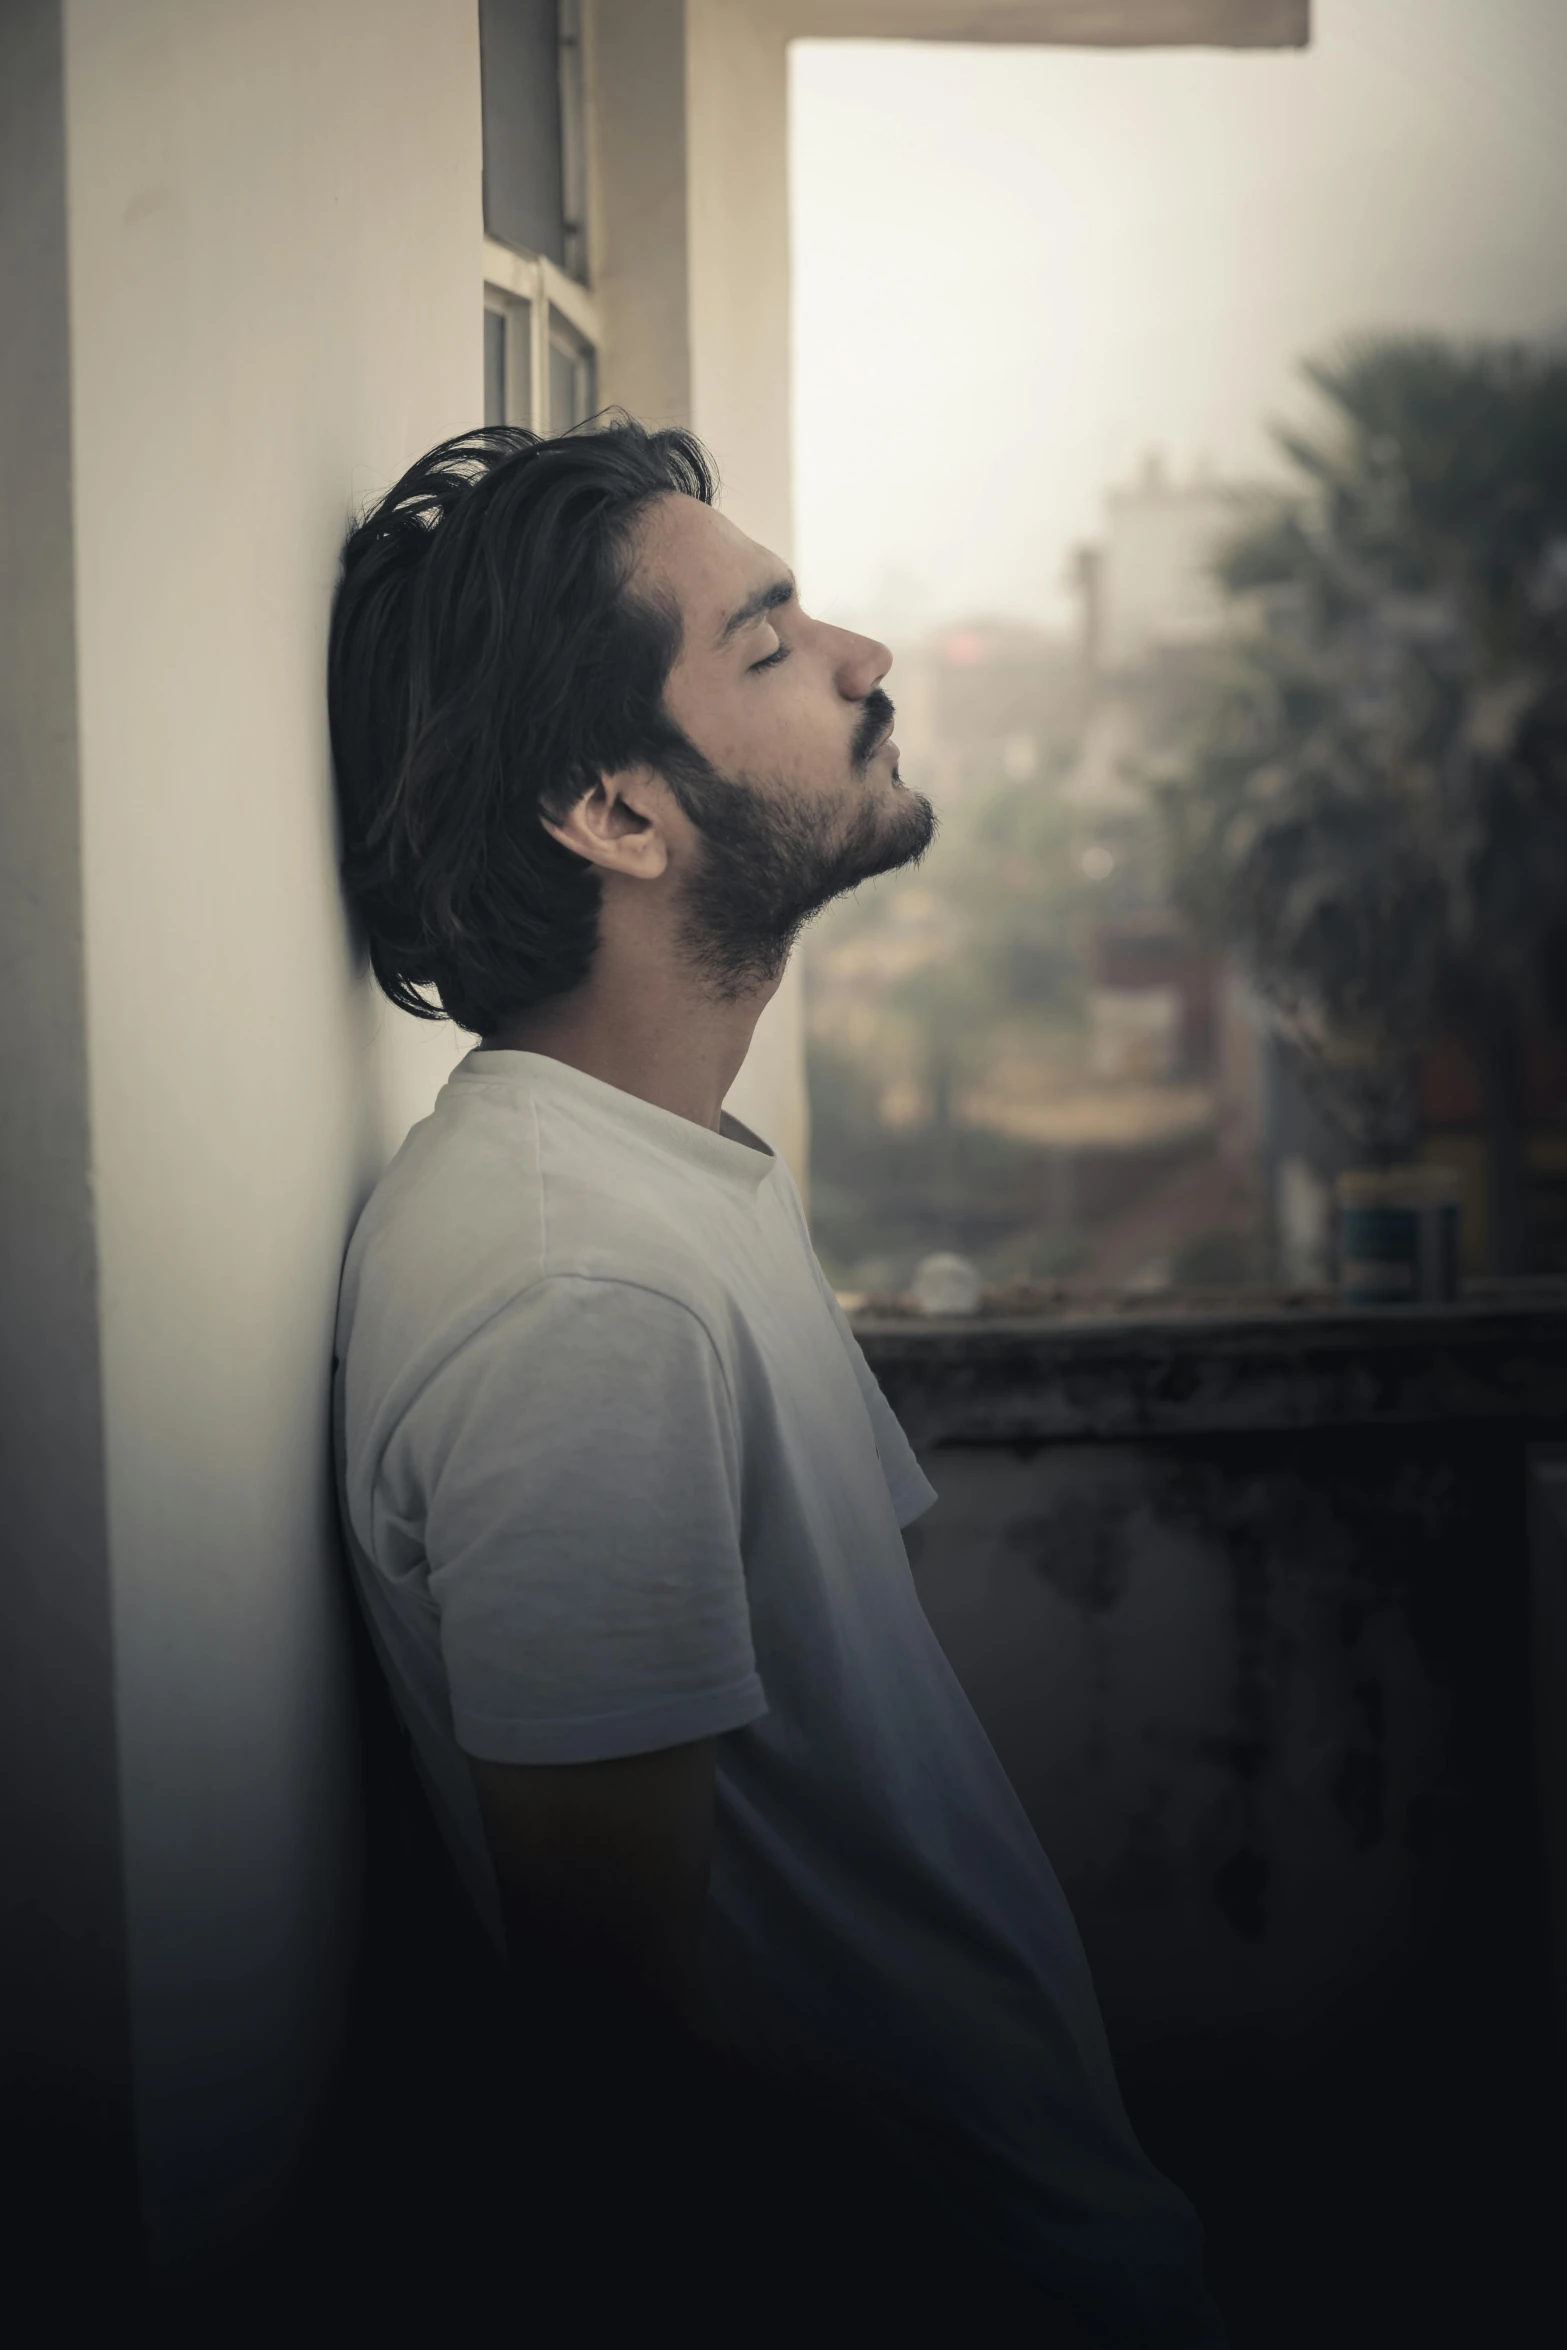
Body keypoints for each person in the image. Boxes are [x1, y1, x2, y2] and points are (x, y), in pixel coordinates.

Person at [328, 419, 1225, 2341]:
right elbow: (620, 2077)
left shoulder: (662, 1175)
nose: (866, 655)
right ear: (617, 813)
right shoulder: (584, 1295)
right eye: (767, 645)